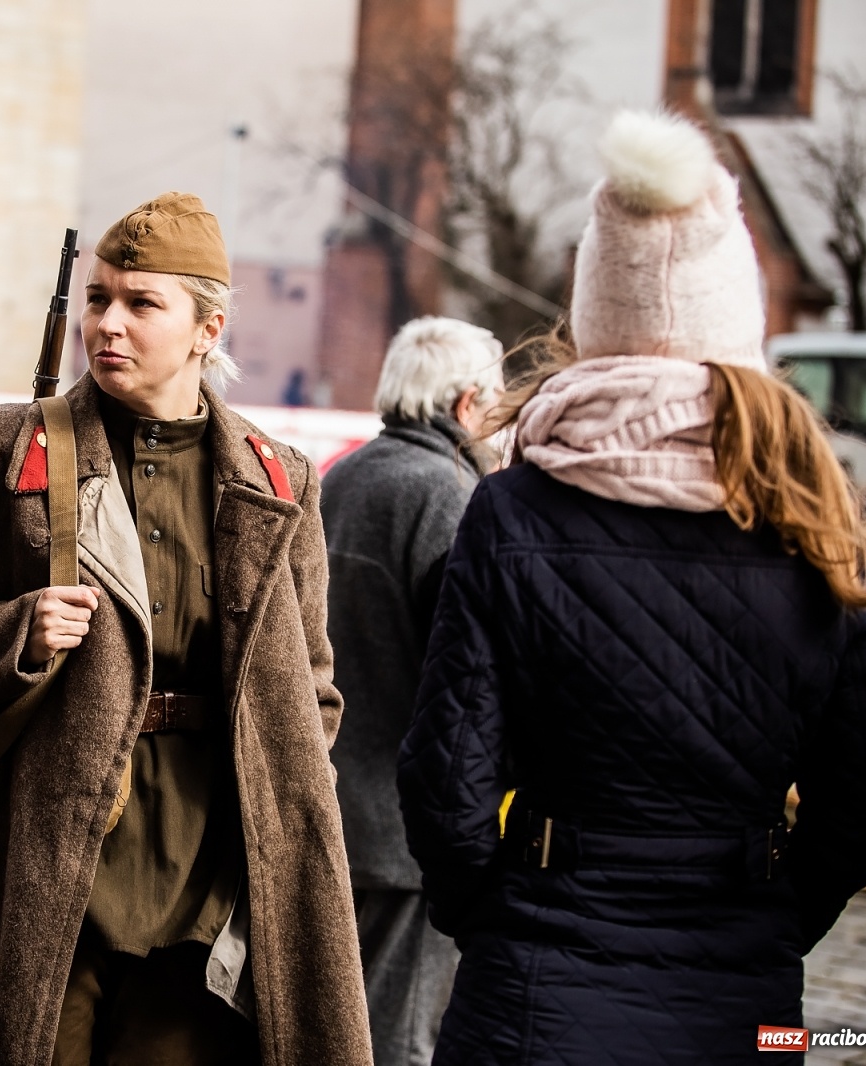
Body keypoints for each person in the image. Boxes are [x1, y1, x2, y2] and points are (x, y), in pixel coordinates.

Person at [397, 110, 866, 1065]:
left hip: (536, 973)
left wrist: (491, 916)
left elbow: (446, 782)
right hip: (743, 986)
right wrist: (771, 923)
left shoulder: (514, 509)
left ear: (595, 312)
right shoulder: (819, 522)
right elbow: (859, 806)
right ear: (739, 324)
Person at [0, 192, 372, 1066]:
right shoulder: (3, 449)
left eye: (142, 303)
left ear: (208, 329)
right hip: (45, 861)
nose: (108, 323)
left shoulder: (279, 477)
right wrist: (14, 634)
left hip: (208, 876)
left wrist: (281, 787)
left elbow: (313, 683)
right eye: (98, 298)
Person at [322, 316, 503, 1066]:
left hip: (331, 808)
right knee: (398, 1041)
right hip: (407, 832)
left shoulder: (341, 478)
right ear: (465, 404)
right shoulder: (451, 495)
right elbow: (468, 684)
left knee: (332, 1031)